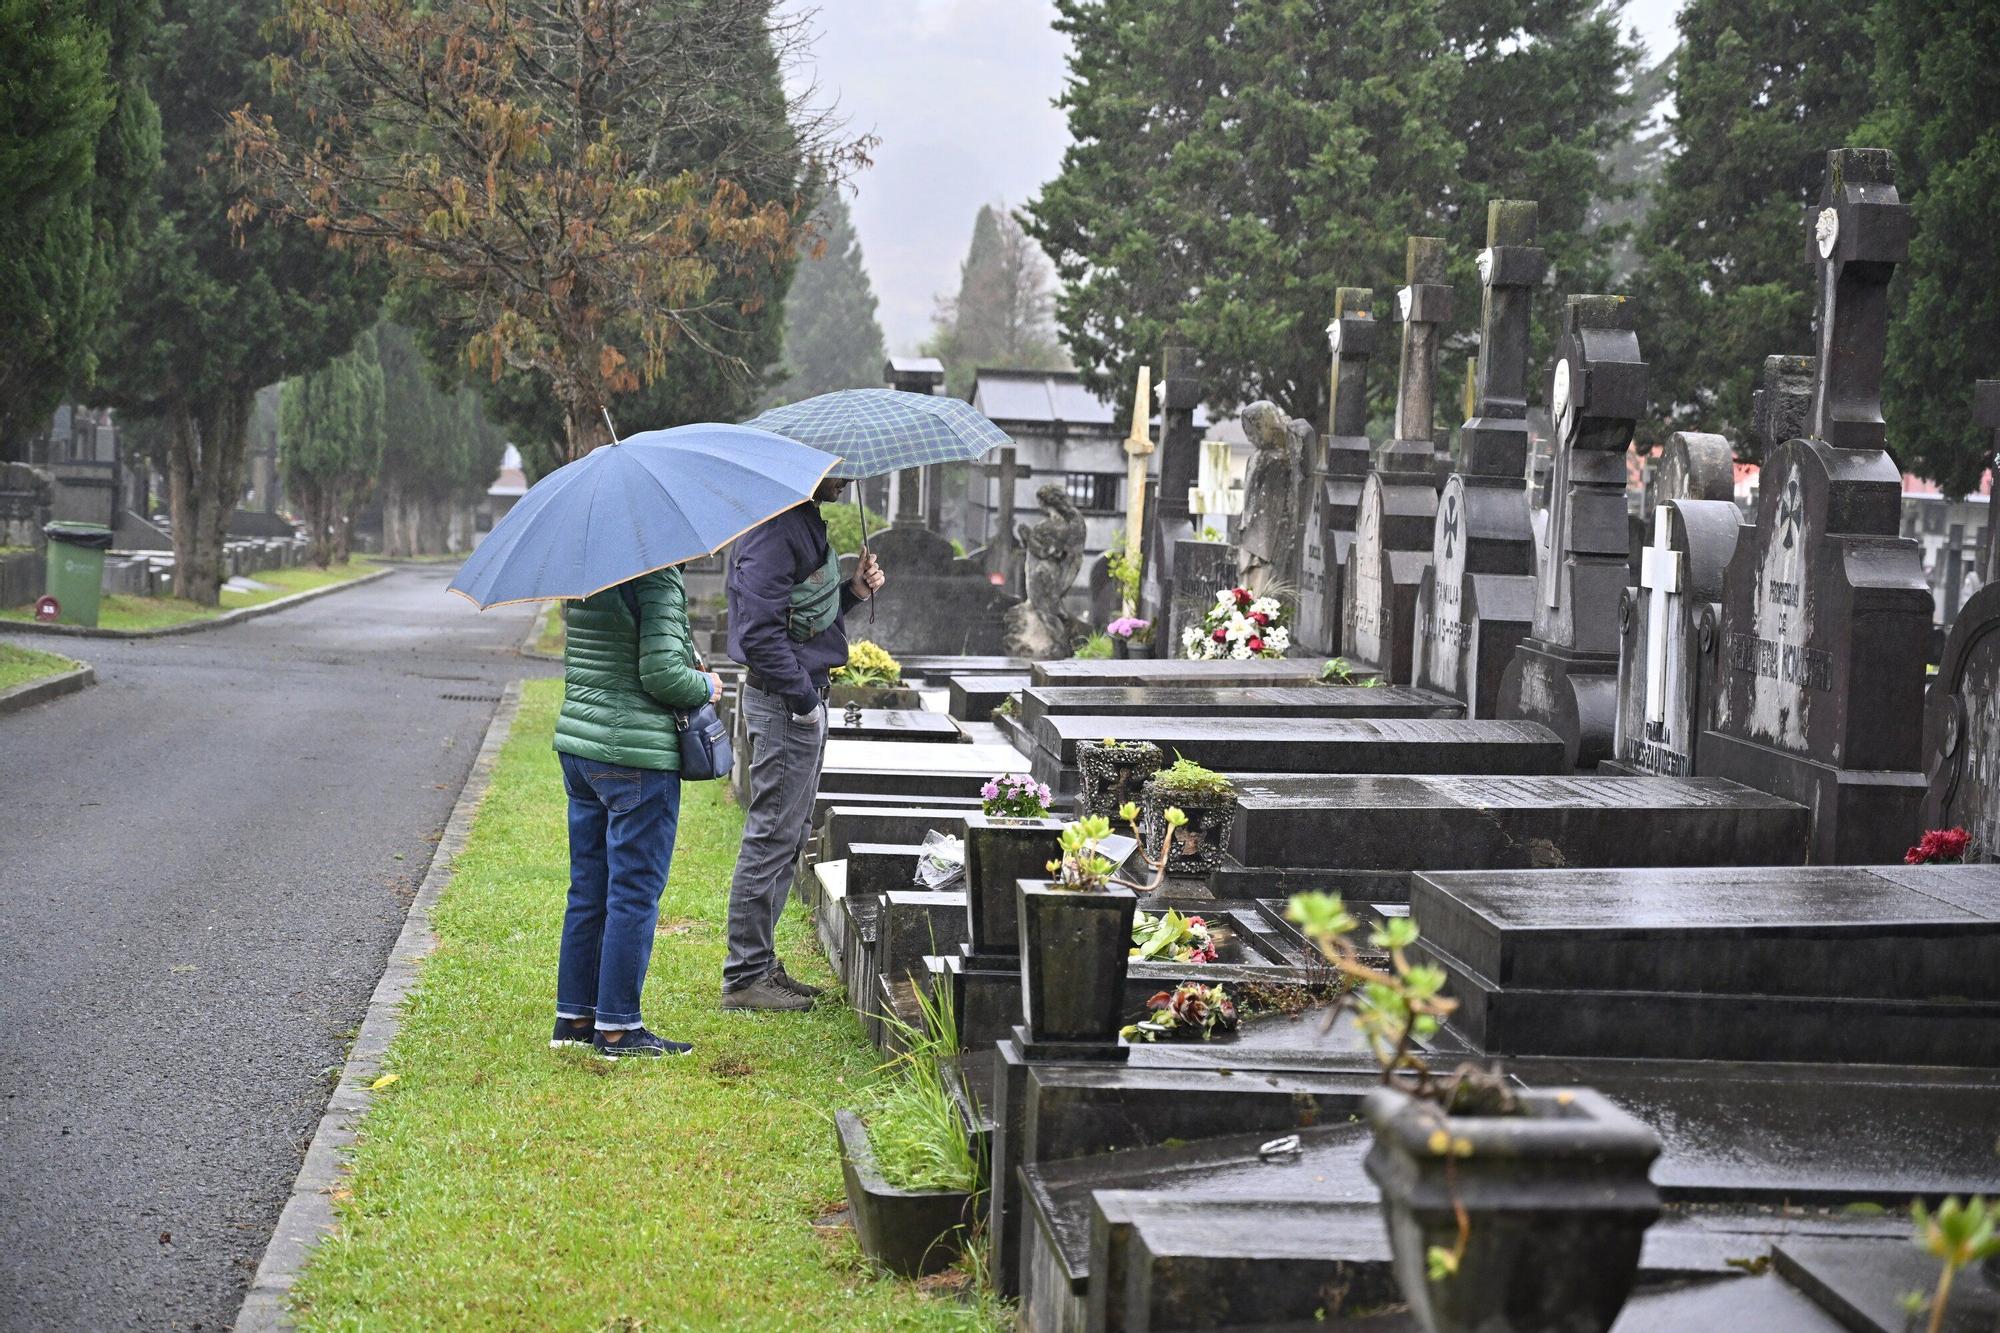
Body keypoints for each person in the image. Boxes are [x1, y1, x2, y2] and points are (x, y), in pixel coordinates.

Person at [721, 475, 886, 1010]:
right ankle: (745, 976)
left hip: (800, 697)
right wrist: (803, 702)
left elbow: (802, 618)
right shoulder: (773, 529)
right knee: (771, 835)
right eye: (839, 469)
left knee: (788, 836)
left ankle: (761, 964)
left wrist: (853, 592)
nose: (848, 477)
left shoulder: (800, 519)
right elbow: (758, 633)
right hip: (785, 703)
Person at [550, 564, 723, 1057]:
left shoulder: (587, 570)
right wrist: (706, 686)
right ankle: (618, 1028)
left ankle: (575, 1019)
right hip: (635, 756)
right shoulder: (656, 574)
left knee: (588, 889)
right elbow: (662, 674)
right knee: (634, 892)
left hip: (581, 748)